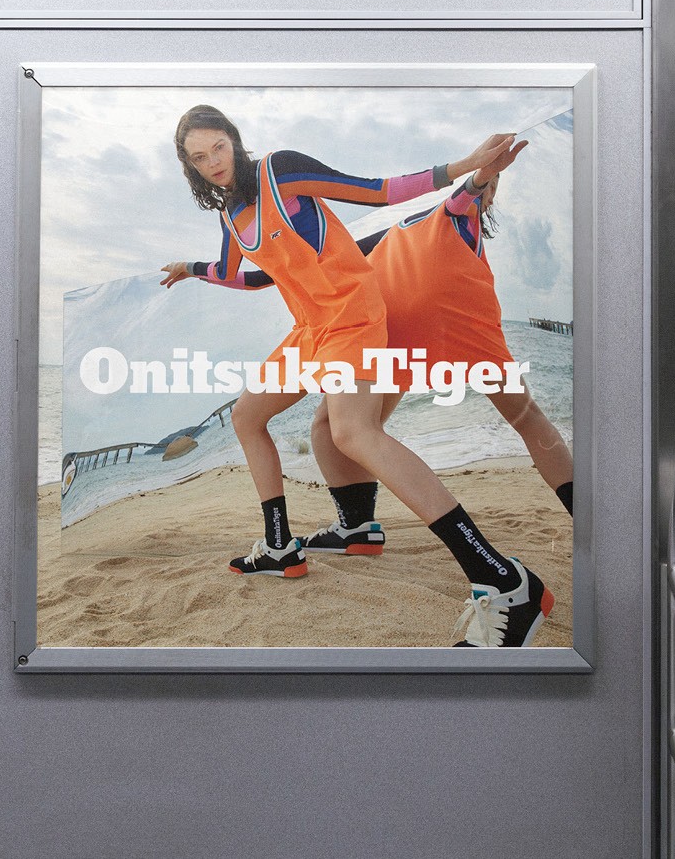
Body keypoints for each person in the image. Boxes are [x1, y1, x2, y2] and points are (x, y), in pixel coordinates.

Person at [159, 104, 553, 648]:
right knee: (248, 417)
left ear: (234, 140)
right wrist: (192, 269)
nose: (213, 162)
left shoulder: (281, 171)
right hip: (312, 328)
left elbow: (376, 190)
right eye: (200, 158)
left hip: (354, 315)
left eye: (218, 148)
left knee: (351, 431)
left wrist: (465, 165)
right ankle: (279, 547)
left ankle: (502, 579)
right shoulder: (230, 215)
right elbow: (244, 277)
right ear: (190, 166)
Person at [301, 151, 574, 569]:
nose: (489, 188)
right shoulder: (416, 223)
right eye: (491, 182)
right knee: (524, 416)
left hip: (405, 324)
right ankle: (356, 528)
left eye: (494, 186)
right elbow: (340, 258)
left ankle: (355, 525)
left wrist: (481, 176)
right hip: (415, 325)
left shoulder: (455, 213)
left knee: (335, 426)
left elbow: (465, 192)